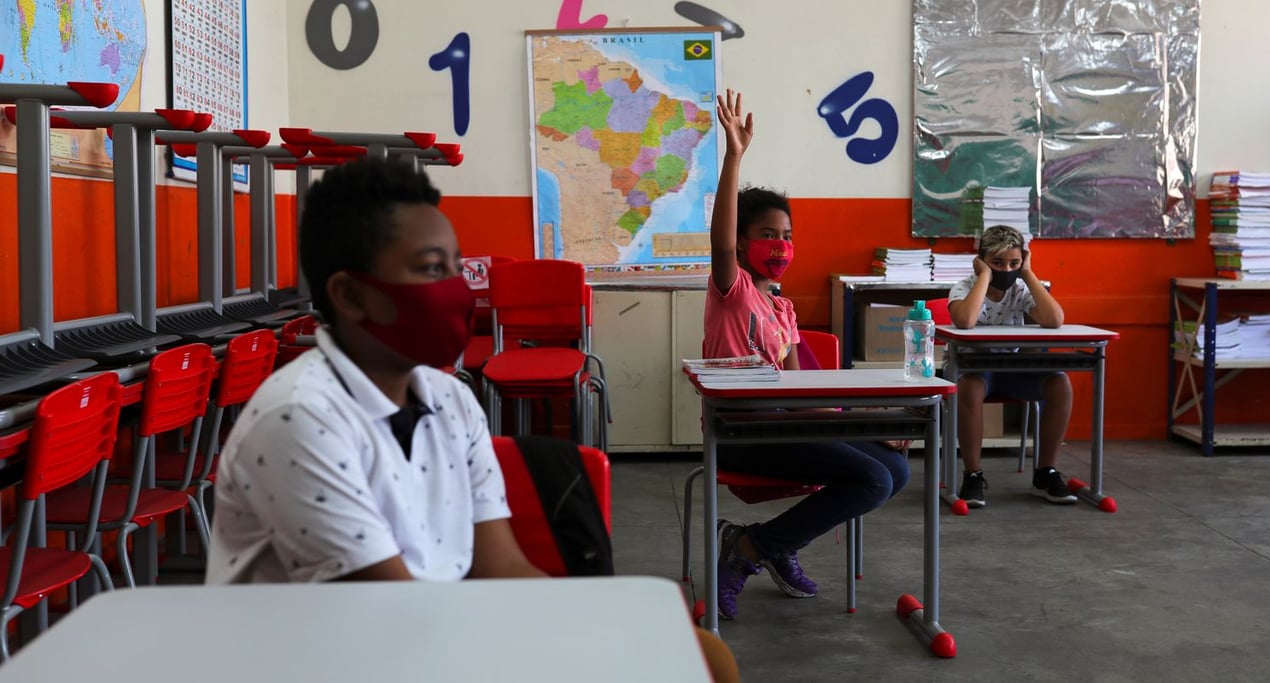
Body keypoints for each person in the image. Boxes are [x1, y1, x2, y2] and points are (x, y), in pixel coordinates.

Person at [204, 158, 739, 683]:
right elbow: (395, 618)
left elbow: (500, 567)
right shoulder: (300, 421)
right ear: (350, 295)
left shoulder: (448, 399)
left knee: (703, 657)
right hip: (347, 661)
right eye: (431, 269)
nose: (457, 290)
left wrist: (604, 620)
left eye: (457, 268)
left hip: (433, 640)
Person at [703, 90, 910, 620]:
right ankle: (748, 549)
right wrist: (734, 156)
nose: (780, 245)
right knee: (873, 479)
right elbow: (720, 245)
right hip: (742, 432)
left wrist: (870, 424)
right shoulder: (732, 290)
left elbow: (801, 396)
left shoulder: (784, 309)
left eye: (787, 236)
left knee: (895, 468)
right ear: (742, 242)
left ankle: (771, 543)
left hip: (785, 426)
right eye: (766, 235)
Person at [947, 224, 1074, 508]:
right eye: (997, 263)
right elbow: (965, 321)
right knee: (970, 387)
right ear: (981, 261)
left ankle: (1045, 473)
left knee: (1060, 383)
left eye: (1014, 263)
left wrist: (1027, 273)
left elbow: (1055, 320)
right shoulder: (964, 287)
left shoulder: (1020, 289)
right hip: (973, 368)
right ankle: (973, 474)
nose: (1006, 270)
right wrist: (985, 277)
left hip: (1011, 367)